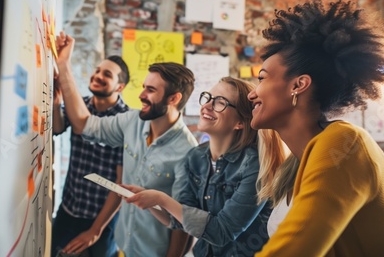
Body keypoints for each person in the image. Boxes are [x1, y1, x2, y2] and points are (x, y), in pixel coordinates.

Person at [248, 0, 384, 256]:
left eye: (262, 78)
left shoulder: (345, 145)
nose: (251, 93)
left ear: (298, 85)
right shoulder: (297, 163)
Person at [54, 31, 198, 257]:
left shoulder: (189, 153)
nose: (141, 95)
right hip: (123, 245)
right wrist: (63, 64)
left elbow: (184, 225)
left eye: (150, 90)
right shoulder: (133, 121)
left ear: (173, 99)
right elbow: (84, 125)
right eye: (144, 87)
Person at [123, 77, 276, 256]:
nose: (207, 106)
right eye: (208, 97)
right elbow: (179, 219)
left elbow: (222, 232)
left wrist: (162, 199)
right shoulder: (195, 156)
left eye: (220, 102)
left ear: (240, 122)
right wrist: (149, 200)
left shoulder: (255, 166)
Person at [51, 55, 130, 257]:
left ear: (120, 87)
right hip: (68, 208)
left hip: (102, 219)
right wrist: (56, 102)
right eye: (97, 70)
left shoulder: (125, 122)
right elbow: (58, 128)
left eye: (107, 74)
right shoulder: (81, 105)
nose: (97, 76)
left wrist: (95, 231)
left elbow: (121, 183)